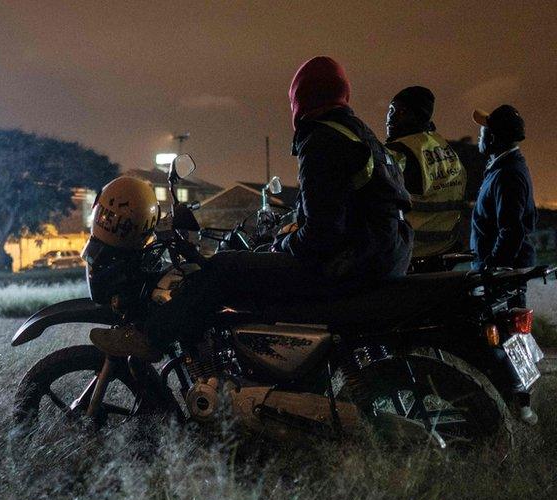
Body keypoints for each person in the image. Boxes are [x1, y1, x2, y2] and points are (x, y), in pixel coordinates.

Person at [90, 57, 413, 360]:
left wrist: (284, 244)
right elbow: (330, 210)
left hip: (350, 265)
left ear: (302, 98)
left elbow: (322, 234)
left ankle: (150, 337)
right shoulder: (357, 133)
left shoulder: (322, 139)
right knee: (254, 264)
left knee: (220, 268)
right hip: (380, 258)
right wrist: (285, 234)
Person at [384, 86, 467, 263]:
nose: (390, 117)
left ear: (415, 116)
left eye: (399, 111)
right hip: (445, 247)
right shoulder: (443, 146)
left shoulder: (398, 153)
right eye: (390, 110)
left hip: (411, 251)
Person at [470, 104, 537, 274]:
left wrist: (494, 266)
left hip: (503, 275)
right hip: (506, 269)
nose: (479, 136)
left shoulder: (507, 175)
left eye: (483, 130)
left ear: (492, 137)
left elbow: (511, 230)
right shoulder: (504, 168)